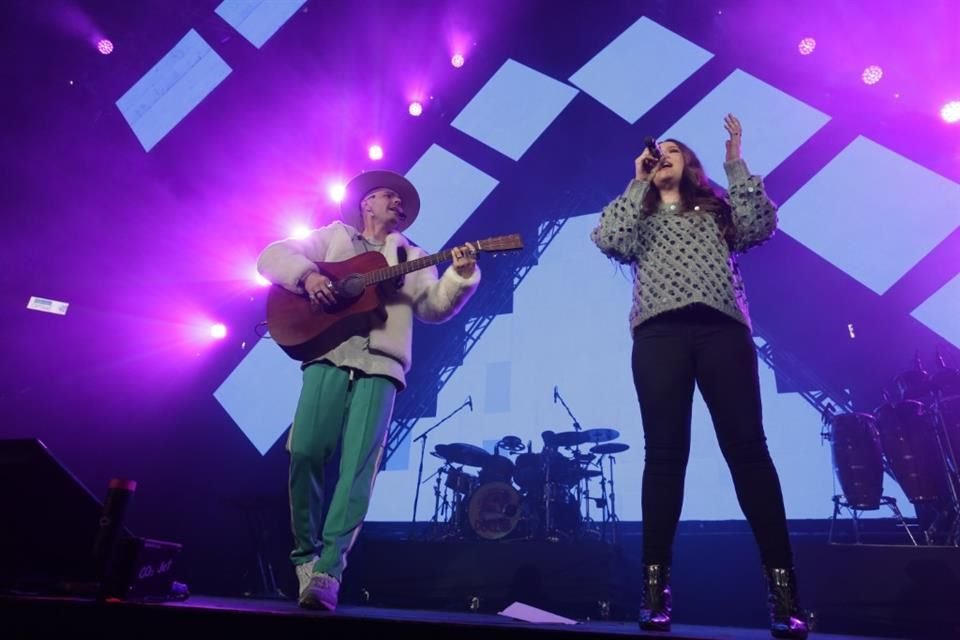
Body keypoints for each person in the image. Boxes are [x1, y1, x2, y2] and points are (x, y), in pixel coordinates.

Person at [590, 115, 808, 639]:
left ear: (690, 165)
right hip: (660, 336)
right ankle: (654, 591)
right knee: (664, 456)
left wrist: (735, 161)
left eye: (673, 151)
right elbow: (609, 237)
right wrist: (637, 178)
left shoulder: (715, 213)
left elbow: (760, 225)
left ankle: (784, 595)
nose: (662, 155)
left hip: (721, 332)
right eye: (656, 151)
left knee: (749, 453)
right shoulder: (639, 220)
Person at [257, 170, 481, 611]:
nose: (397, 203)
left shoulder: (412, 255)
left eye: (401, 200)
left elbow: (433, 308)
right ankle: (305, 556)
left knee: (359, 468)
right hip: (329, 354)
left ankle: (328, 570)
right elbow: (272, 256)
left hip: (382, 365)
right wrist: (309, 278)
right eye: (388, 196)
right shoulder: (332, 237)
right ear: (366, 203)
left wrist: (461, 276)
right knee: (304, 450)